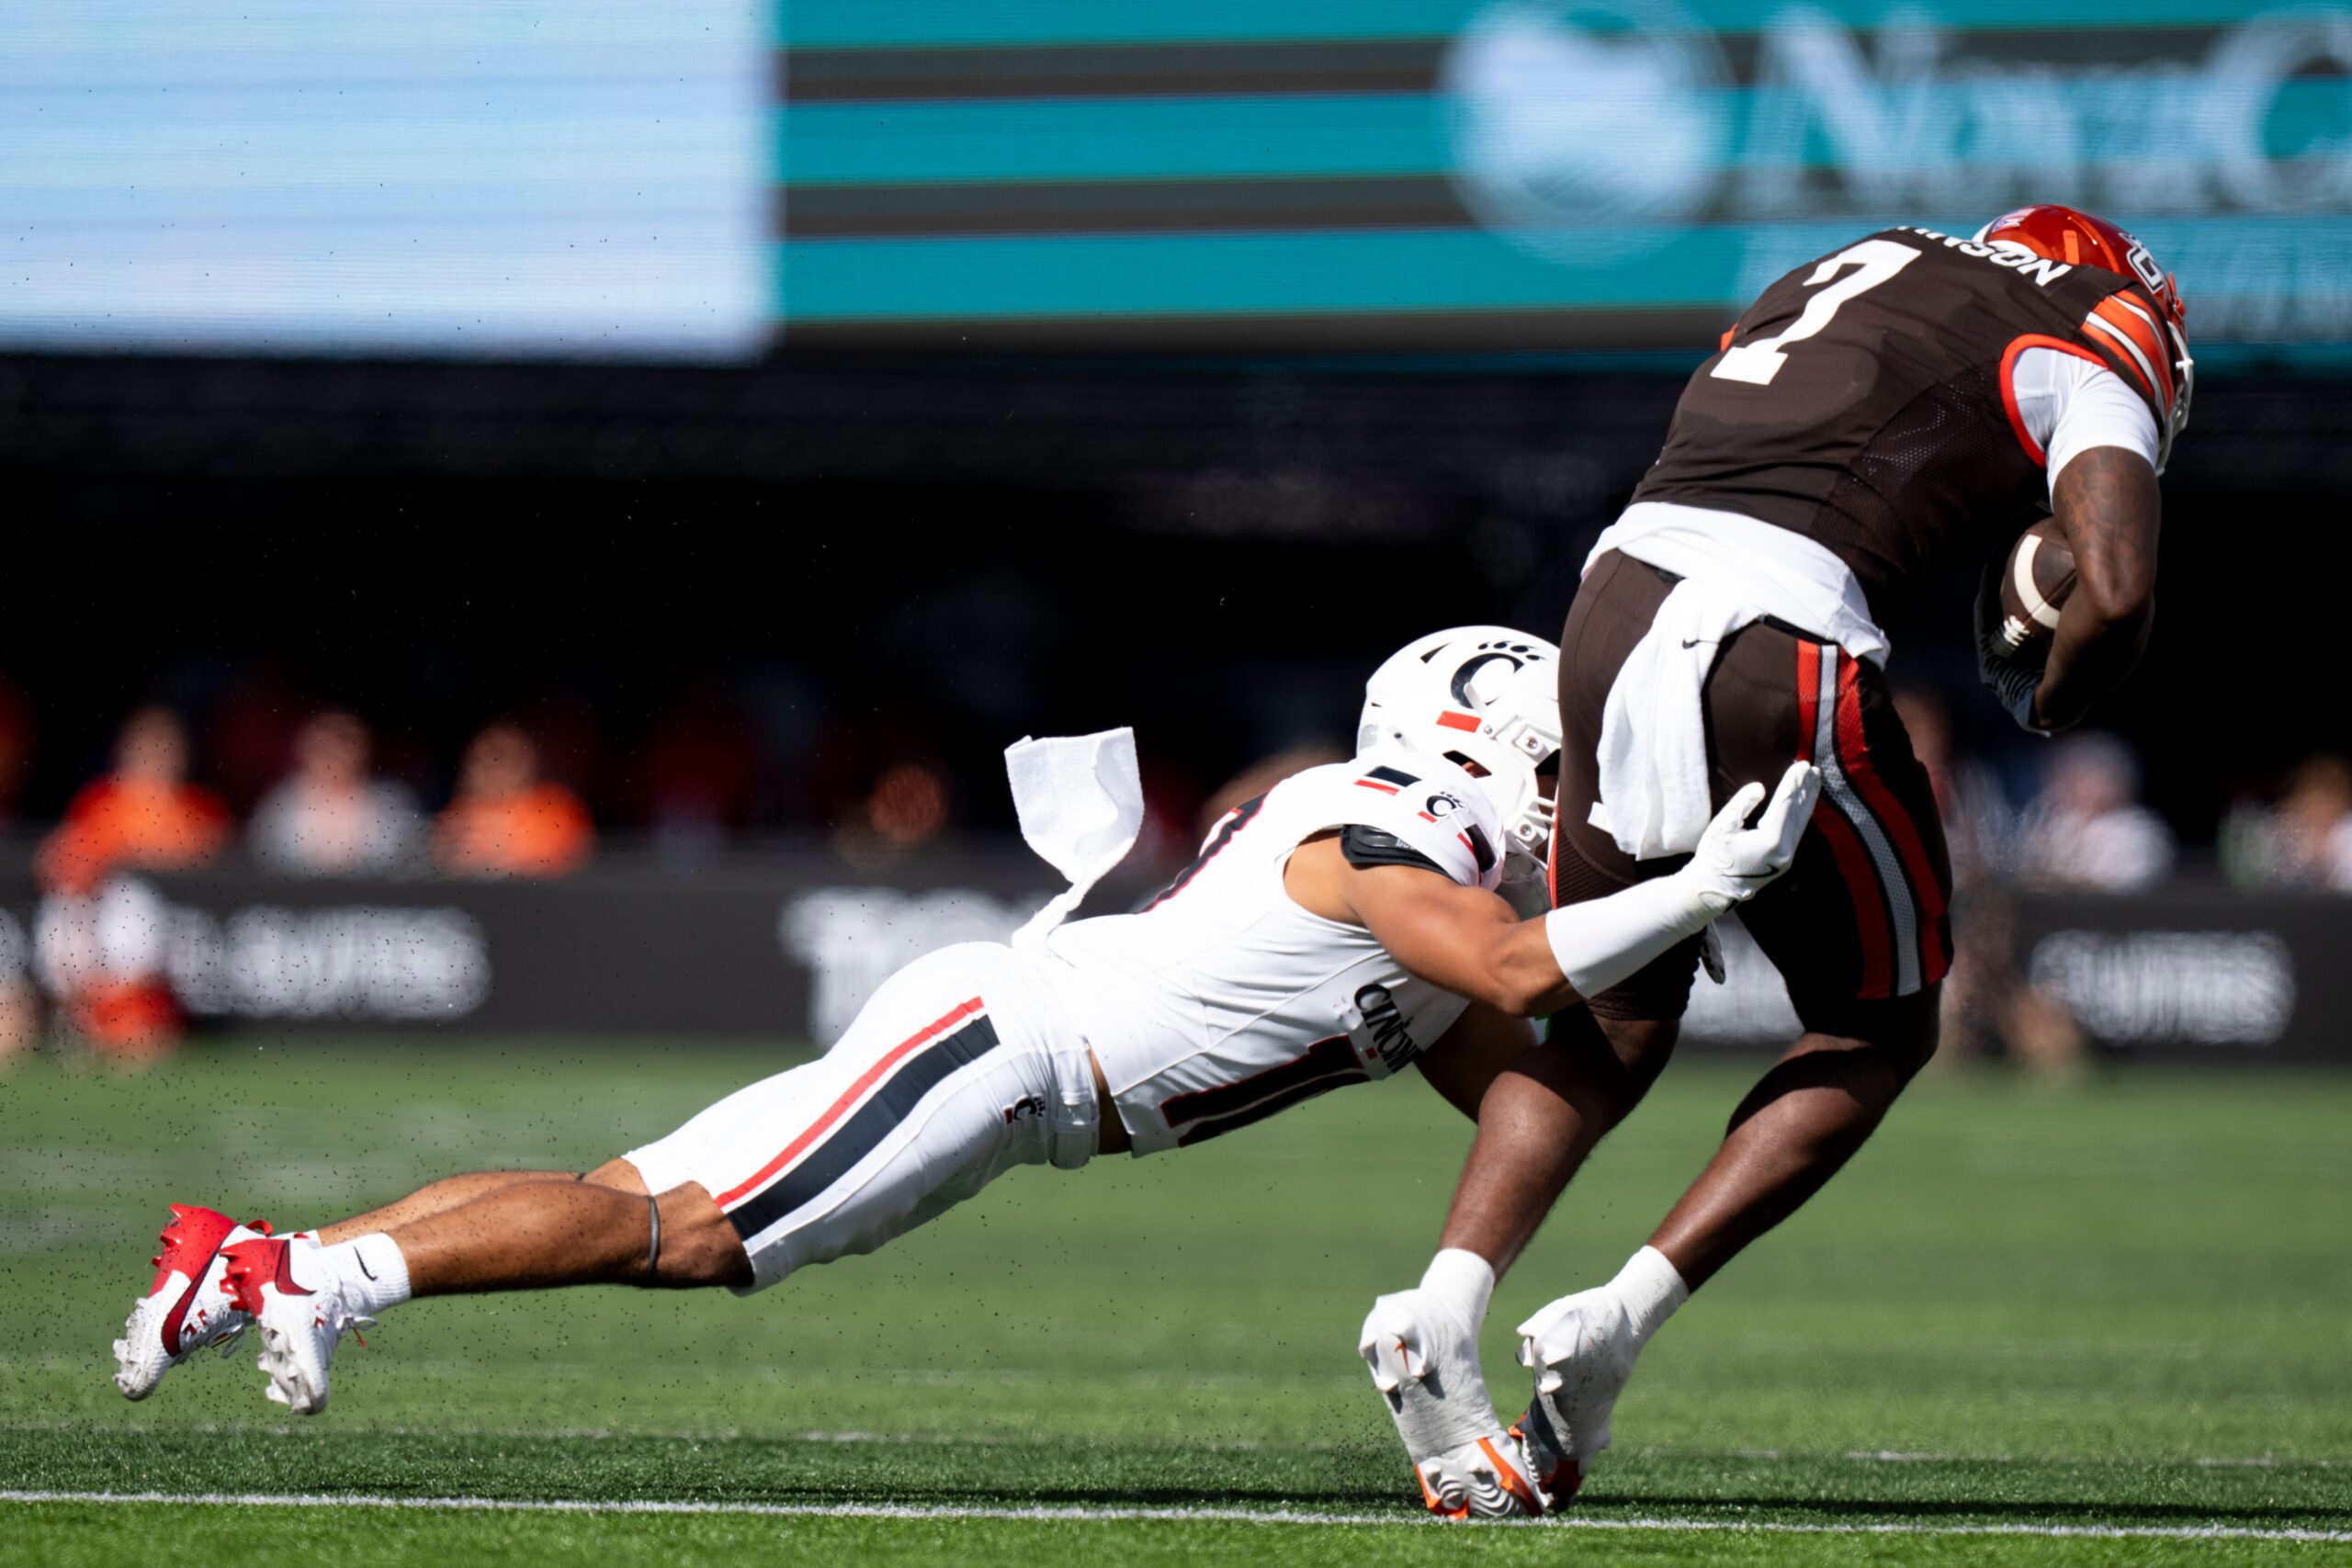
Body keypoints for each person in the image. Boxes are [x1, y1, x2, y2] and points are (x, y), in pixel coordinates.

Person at [112, 627, 1819, 1454]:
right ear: (1466, 736)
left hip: (1014, 1054)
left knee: (632, 1193)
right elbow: (1518, 970)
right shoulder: (1390, 828)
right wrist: (1699, 888)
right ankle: (320, 1281)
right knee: (684, 1232)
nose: (1561, 787)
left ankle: (259, 1258)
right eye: (1543, 752)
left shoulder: (1405, 851)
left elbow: (1517, 1062)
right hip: (1011, 1055)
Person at [1363, 207, 2188, 1514]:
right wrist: (2059, 683)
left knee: (1613, 1019)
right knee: (1880, 1024)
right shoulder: (2101, 321)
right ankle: (1619, 1317)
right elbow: (2121, 583)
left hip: (1613, 597)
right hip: (1780, 629)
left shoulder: (1854, 262)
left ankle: (1443, 1294)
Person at [35, 707, 232, 1051]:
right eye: (147, 748)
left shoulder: (200, 809)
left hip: (177, 952)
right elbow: (60, 863)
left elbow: (225, 872)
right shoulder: (100, 802)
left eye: (166, 748)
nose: (156, 759)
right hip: (108, 941)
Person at [247, 710, 428, 875]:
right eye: (323, 748)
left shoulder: (391, 803)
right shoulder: (279, 806)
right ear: (303, 751)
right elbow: (263, 865)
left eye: (344, 745)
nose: (334, 757)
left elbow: (408, 864)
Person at [2015, 732, 2175, 892]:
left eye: (2082, 779)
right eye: (2067, 778)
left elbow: (2121, 888)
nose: (2067, 787)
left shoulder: (2139, 833)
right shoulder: (2057, 824)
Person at [432, 722, 594, 877]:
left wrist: (501, 852)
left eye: (502, 757)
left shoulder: (555, 806)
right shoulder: (458, 813)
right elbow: (442, 867)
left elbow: (568, 862)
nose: (492, 767)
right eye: (482, 758)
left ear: (528, 764)